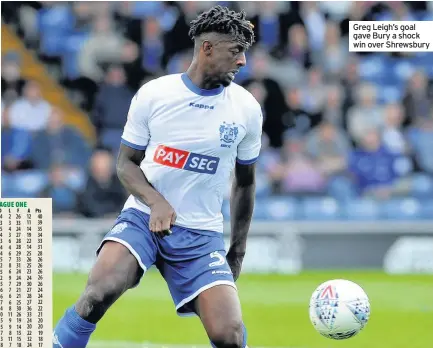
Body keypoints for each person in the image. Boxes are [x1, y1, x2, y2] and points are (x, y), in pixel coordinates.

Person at [53, 5, 262, 348]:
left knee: (230, 336)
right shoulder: (155, 95)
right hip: (143, 217)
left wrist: (237, 250)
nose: (242, 62)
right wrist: (156, 202)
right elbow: (126, 164)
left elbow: (246, 181)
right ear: (207, 48)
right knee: (97, 293)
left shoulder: (247, 108)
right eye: (235, 52)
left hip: (200, 233)